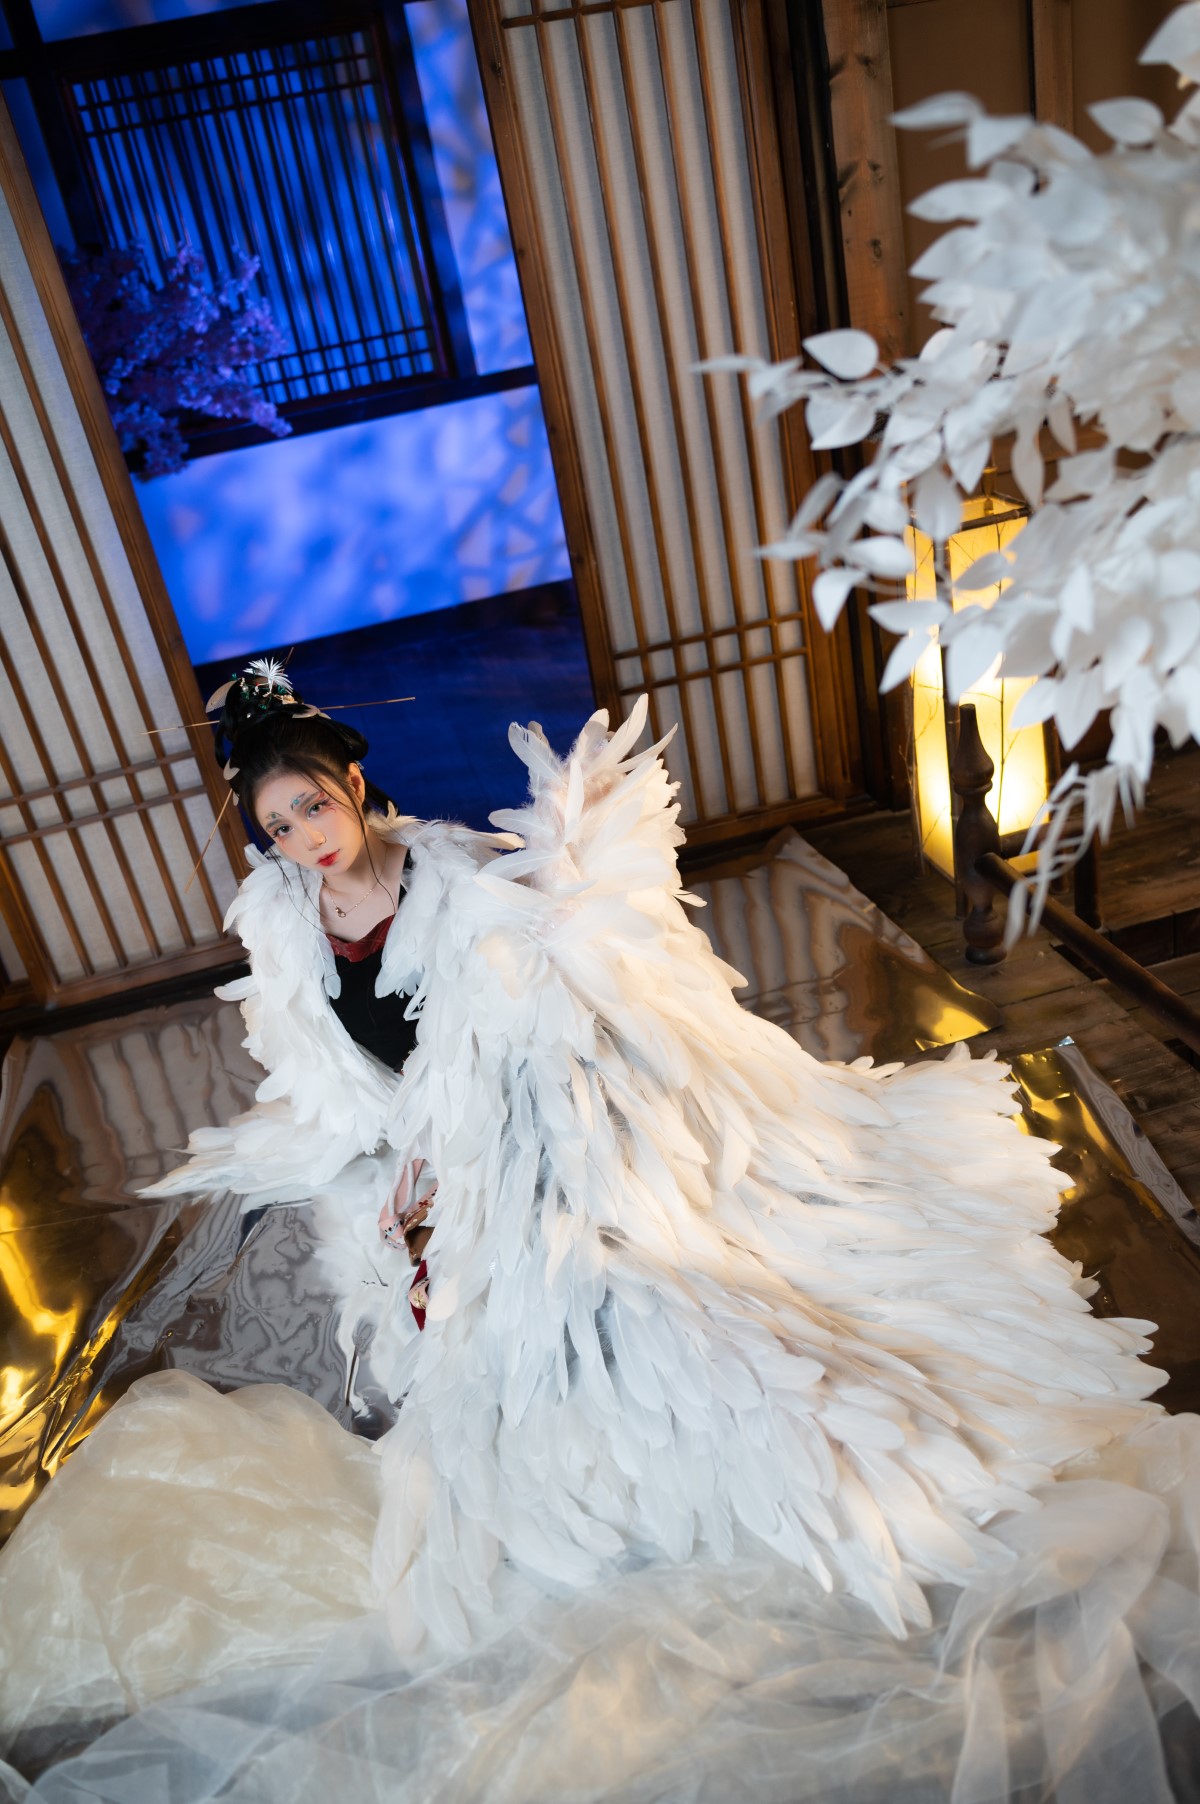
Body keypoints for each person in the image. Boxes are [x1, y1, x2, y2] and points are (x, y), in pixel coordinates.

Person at [0, 658, 1196, 1804]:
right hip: (428, 1140)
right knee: (441, 1328)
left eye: (315, 805)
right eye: (278, 827)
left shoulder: (458, 880)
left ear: (355, 784)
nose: (305, 839)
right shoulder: (289, 917)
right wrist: (406, 1156)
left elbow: (531, 1031)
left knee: (614, 1297)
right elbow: (351, 1076)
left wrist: (467, 1138)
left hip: (536, 1118)